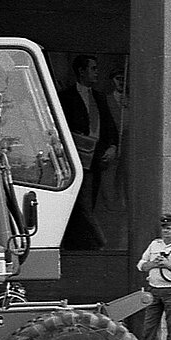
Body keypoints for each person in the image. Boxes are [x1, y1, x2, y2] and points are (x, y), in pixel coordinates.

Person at [63, 54, 119, 248]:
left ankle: (85, 241)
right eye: (93, 68)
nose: (96, 73)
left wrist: (113, 147)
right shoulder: (66, 97)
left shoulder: (99, 97)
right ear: (81, 71)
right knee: (83, 203)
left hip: (98, 158)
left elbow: (110, 126)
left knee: (91, 200)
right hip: (78, 157)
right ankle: (99, 241)